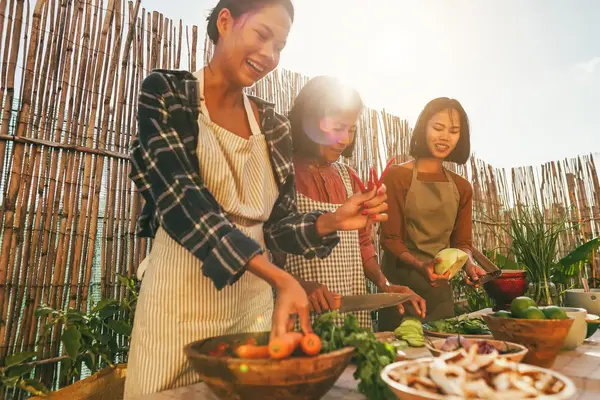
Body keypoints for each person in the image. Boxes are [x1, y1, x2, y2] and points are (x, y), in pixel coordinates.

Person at [124, 1, 388, 397]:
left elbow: (276, 227)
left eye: (279, 46)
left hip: (253, 311)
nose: (269, 55)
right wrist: (280, 278)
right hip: (177, 305)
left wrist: (330, 221)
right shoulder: (167, 94)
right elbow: (182, 201)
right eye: (262, 36)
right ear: (226, 22)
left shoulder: (274, 126)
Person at [276, 76, 426, 331]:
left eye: (352, 130)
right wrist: (300, 284)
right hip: (298, 320)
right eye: (337, 128)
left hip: (352, 321)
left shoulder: (348, 178)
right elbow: (268, 249)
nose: (345, 139)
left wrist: (384, 284)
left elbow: (362, 245)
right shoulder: (282, 173)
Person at [378, 97, 488, 330]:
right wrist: (420, 266)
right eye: (438, 128)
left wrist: (469, 266)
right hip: (402, 295)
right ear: (423, 128)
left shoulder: (462, 187)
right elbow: (390, 240)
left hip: (440, 297)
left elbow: (462, 243)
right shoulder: (397, 177)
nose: (445, 137)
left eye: (454, 131)